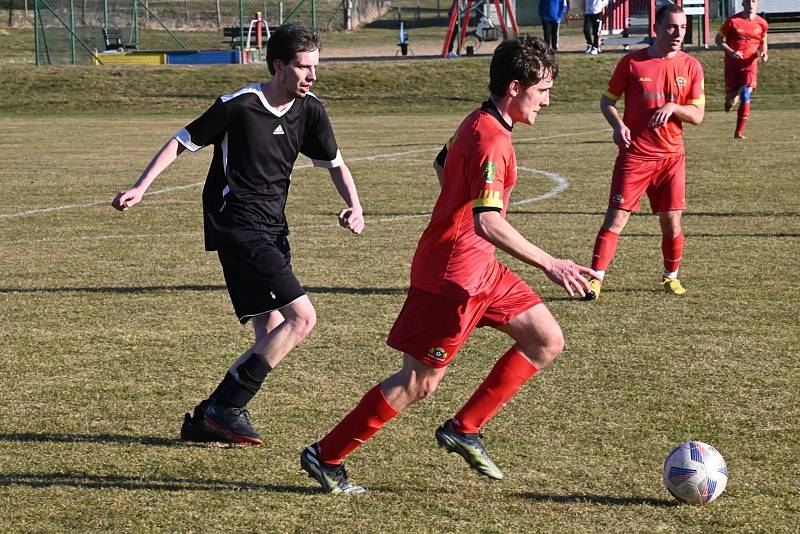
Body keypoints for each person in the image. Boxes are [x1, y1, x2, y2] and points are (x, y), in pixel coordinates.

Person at [300, 35, 597, 494]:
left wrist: (453, 208)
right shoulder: (491, 140)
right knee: (418, 383)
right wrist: (550, 263)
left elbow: (443, 162)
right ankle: (327, 455)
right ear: (515, 88)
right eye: (543, 91)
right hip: (453, 280)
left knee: (545, 339)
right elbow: (487, 223)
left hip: (483, 272)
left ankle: (465, 428)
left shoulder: (480, 119)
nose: (548, 101)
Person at [111, 24, 364, 446]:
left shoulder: (311, 110)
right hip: (237, 227)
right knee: (302, 319)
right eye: (304, 68)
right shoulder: (240, 105)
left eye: (316, 67)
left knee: (271, 333)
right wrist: (141, 185)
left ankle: (208, 417)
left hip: (273, 229)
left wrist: (355, 204)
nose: (312, 76)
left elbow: (335, 162)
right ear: (279, 65)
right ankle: (228, 407)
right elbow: (181, 141)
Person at [584, 4, 705, 301]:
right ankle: (595, 279)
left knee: (672, 222)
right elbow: (606, 101)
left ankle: (670, 276)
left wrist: (674, 107)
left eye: (683, 28)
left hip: (671, 159)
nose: (678, 34)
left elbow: (698, 114)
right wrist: (617, 125)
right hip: (635, 155)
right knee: (616, 219)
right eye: (672, 27)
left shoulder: (691, 66)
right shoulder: (632, 63)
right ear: (657, 28)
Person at [715, 0, 768, 139]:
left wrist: (763, 52)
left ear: (757, 4)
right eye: (748, 1)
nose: (750, 4)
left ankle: (739, 132)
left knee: (745, 93)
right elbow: (718, 39)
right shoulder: (732, 21)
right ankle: (728, 102)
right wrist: (731, 51)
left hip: (749, 65)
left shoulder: (762, 23)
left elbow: (763, 41)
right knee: (732, 99)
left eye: (753, 1)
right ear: (743, 3)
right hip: (732, 65)